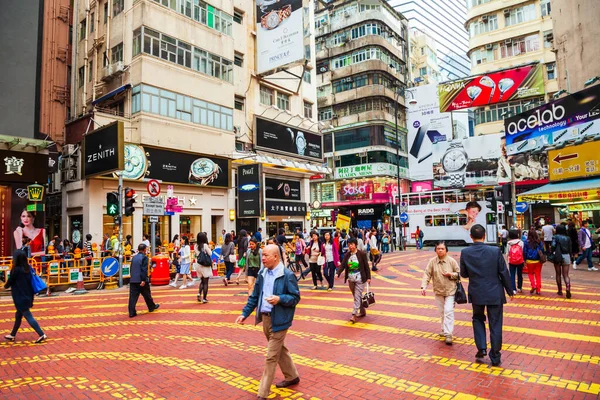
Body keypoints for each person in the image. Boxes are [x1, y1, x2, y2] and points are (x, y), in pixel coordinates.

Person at [235, 244, 301, 399]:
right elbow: (255, 296)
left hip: (280, 319)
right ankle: (292, 376)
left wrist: (279, 299)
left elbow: (295, 297)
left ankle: (262, 393)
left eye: (265, 255)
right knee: (280, 349)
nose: (262, 258)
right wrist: (245, 314)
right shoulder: (262, 272)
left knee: (271, 356)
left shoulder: (287, 275)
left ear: (276, 257)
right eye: (262, 255)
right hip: (265, 319)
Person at [460, 224, 513, 367]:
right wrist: (510, 290)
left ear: (471, 236)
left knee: (478, 318)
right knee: (495, 323)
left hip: (476, 292)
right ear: (484, 236)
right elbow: (504, 272)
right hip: (495, 292)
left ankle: (481, 347)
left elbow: (464, 274)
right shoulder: (495, 251)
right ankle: (495, 355)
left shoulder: (465, 252)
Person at [420, 241, 460, 345]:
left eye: (442, 248)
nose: (440, 250)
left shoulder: (451, 261)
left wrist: (450, 274)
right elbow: (427, 274)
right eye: (438, 248)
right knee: (442, 311)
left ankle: (448, 334)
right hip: (438, 291)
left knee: (448, 311)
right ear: (435, 250)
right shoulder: (432, 261)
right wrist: (423, 286)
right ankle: (443, 329)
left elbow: (459, 274)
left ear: (446, 250)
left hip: (450, 290)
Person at [3, 250, 47, 343]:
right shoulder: (28, 268)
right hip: (28, 295)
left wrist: (5, 286)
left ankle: (41, 334)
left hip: (20, 297)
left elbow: (10, 281)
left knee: (28, 316)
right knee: (18, 315)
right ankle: (12, 334)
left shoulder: (16, 269)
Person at [337, 237, 371, 323]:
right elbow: (343, 265)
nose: (350, 246)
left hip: (360, 278)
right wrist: (338, 273)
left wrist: (369, 278)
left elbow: (366, 267)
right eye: (349, 245)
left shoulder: (362, 254)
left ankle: (354, 315)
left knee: (357, 296)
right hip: (351, 279)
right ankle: (362, 311)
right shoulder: (347, 255)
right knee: (356, 296)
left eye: (352, 244)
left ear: (355, 245)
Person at [128, 244, 160, 318]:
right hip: (141, 280)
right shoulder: (144, 258)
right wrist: (143, 279)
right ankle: (151, 307)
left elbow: (131, 268)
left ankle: (131, 312)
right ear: (144, 250)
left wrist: (132, 277)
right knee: (147, 294)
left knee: (133, 297)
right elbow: (144, 269)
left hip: (133, 280)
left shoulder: (134, 257)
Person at [551, 225, 572, 299]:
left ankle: (560, 290)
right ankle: (568, 287)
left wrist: (552, 252)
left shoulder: (555, 237)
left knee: (558, 274)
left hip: (557, 256)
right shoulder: (568, 238)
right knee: (566, 275)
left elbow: (553, 246)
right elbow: (570, 249)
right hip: (566, 255)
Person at [523, 227, 545, 295]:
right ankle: (538, 290)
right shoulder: (539, 242)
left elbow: (524, 252)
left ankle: (533, 285)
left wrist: (525, 260)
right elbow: (543, 250)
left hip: (529, 260)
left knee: (530, 273)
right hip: (538, 260)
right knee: (538, 275)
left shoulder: (526, 242)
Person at [195, 232, 212, 303]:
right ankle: (204, 298)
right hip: (205, 265)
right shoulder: (205, 245)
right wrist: (209, 248)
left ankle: (199, 293)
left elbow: (197, 254)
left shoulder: (195, 245)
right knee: (206, 282)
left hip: (198, 264)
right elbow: (210, 253)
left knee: (202, 281)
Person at [506, 229, 524, 294]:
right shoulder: (521, 242)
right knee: (519, 274)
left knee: (512, 275)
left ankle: (513, 289)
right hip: (520, 261)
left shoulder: (509, 243)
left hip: (511, 261)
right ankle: (519, 287)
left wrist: (507, 259)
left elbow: (507, 253)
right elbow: (523, 252)